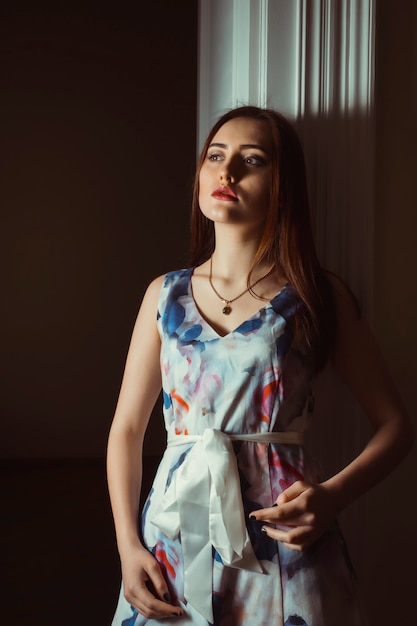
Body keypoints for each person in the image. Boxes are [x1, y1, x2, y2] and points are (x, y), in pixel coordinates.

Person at [106, 105, 413, 625]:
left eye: (251, 160)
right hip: (177, 535)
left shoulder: (317, 295)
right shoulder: (164, 295)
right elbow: (127, 430)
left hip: (285, 538)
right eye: (216, 156)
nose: (226, 173)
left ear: (282, 184)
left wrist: (333, 497)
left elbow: (397, 426)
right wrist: (128, 547)